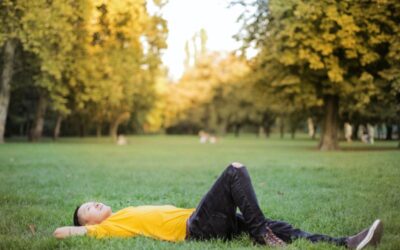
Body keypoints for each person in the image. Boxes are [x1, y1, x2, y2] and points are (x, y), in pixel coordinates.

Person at [53, 163, 383, 249]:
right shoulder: (108, 229)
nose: (95, 204)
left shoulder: (124, 213)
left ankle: (347, 243)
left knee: (281, 228)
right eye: (90, 209)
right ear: (91, 225)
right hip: (197, 229)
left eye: (93, 202)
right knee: (234, 172)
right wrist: (83, 230)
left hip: (206, 224)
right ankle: (260, 232)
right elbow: (59, 233)